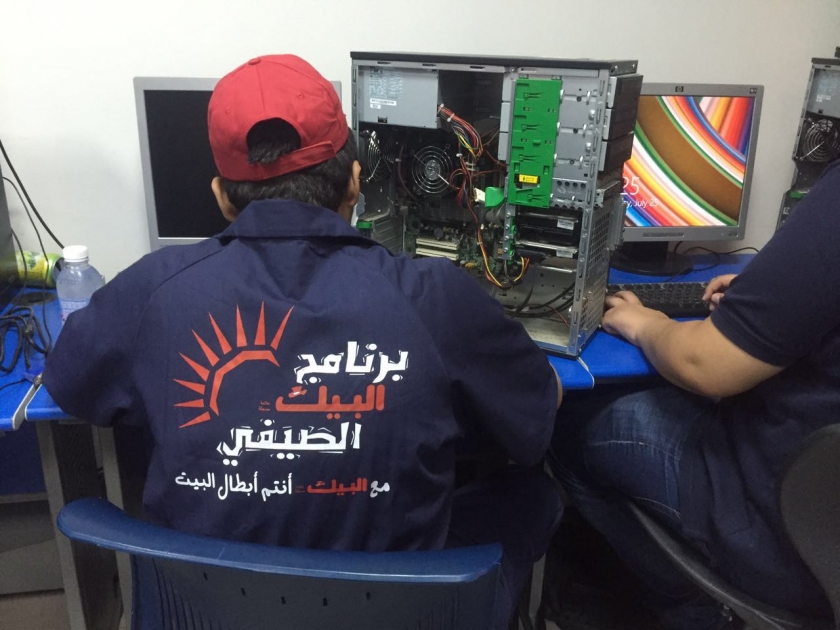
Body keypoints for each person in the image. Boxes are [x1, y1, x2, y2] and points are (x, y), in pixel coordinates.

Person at [42, 54, 563, 628]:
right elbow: (537, 419)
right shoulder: (435, 297)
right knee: (533, 492)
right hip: (392, 614)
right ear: (356, 182)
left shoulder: (151, 290)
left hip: (208, 611)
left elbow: (69, 384)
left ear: (221, 196)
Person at [550, 161, 840, 629]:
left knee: (567, 428)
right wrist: (766, 298)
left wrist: (647, 325)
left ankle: (695, 608)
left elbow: (704, 365)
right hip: (822, 533)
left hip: (785, 536)